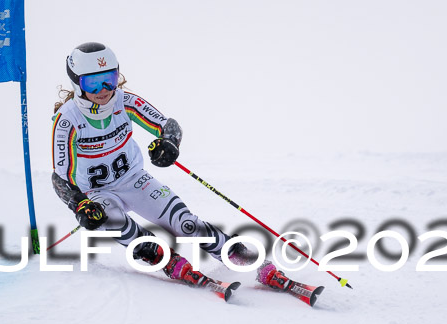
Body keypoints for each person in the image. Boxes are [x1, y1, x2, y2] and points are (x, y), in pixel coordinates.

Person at [51, 42, 293, 291]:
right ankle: (167, 260)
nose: (104, 90)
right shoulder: (68, 121)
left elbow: (169, 126)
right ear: (76, 83)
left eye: (109, 79)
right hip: (96, 193)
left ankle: (250, 262)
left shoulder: (125, 102)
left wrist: (169, 144)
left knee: (185, 224)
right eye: (93, 83)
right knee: (111, 221)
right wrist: (79, 204)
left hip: (133, 180)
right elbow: (61, 178)